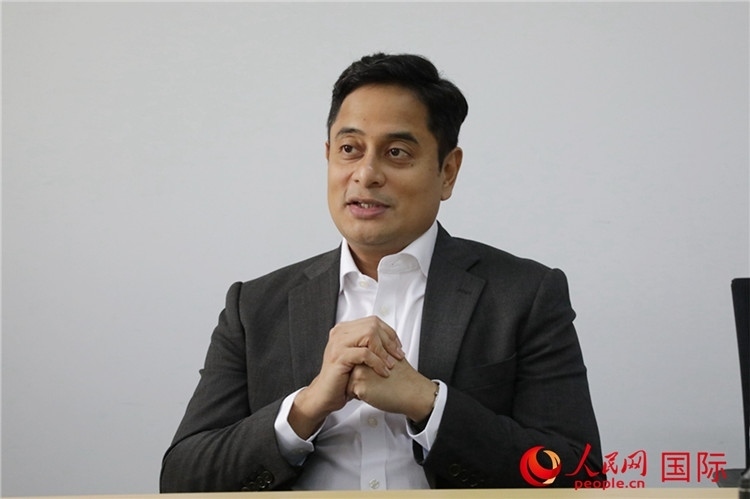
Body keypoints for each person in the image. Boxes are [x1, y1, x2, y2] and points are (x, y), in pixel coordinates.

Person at [160, 53, 604, 492]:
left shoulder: (524, 295)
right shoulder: (254, 307)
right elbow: (182, 478)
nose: (366, 174)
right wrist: (305, 409)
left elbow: (577, 475)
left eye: (396, 152)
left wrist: (428, 403)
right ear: (328, 157)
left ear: (447, 172)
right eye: (349, 149)